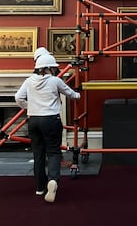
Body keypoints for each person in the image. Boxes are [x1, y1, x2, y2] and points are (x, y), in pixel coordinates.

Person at [15, 53, 81, 203]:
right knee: (53, 152)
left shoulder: (29, 81)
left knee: (38, 154)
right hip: (51, 120)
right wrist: (79, 96)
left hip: (33, 120)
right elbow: (70, 94)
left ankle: (40, 188)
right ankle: (53, 181)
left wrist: (29, 107)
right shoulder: (54, 81)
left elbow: (18, 97)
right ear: (50, 68)